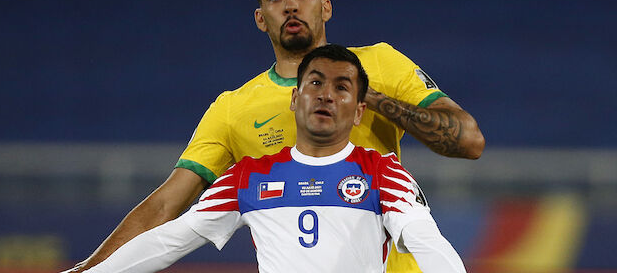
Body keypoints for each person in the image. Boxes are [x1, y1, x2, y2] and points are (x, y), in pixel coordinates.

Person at [68, 0, 484, 273]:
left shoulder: (379, 64)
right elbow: (165, 209)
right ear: (260, 17)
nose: (290, 4)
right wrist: (87, 269)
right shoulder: (233, 110)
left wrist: (373, 98)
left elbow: (468, 141)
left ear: (325, 7)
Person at [81, 44, 468, 273]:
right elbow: (168, 240)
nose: (326, 95)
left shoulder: (383, 173)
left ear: (359, 111)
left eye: (342, 87)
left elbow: (426, 240)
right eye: (315, 83)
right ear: (294, 98)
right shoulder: (248, 177)